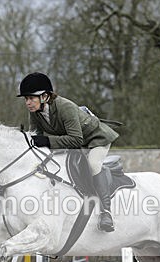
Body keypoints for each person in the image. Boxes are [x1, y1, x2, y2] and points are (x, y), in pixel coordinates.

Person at [17, 72, 119, 232]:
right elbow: (35, 136)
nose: (28, 103)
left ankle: (106, 212)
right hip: (77, 143)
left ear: (45, 96)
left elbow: (76, 139)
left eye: (31, 98)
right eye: (26, 99)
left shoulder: (66, 107)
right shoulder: (35, 112)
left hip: (96, 139)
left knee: (93, 164)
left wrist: (47, 141)